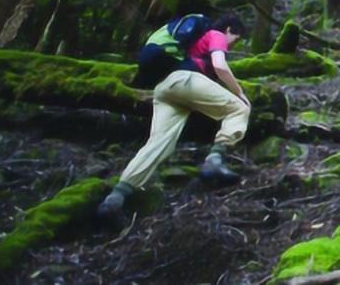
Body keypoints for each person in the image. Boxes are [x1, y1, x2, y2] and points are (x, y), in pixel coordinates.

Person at [98, 15, 252, 222]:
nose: (233, 44)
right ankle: (215, 159)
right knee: (239, 109)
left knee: (159, 143)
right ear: (230, 30)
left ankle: (116, 196)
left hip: (164, 89)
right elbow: (220, 65)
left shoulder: (191, 45)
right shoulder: (216, 34)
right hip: (185, 80)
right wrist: (240, 93)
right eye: (236, 38)